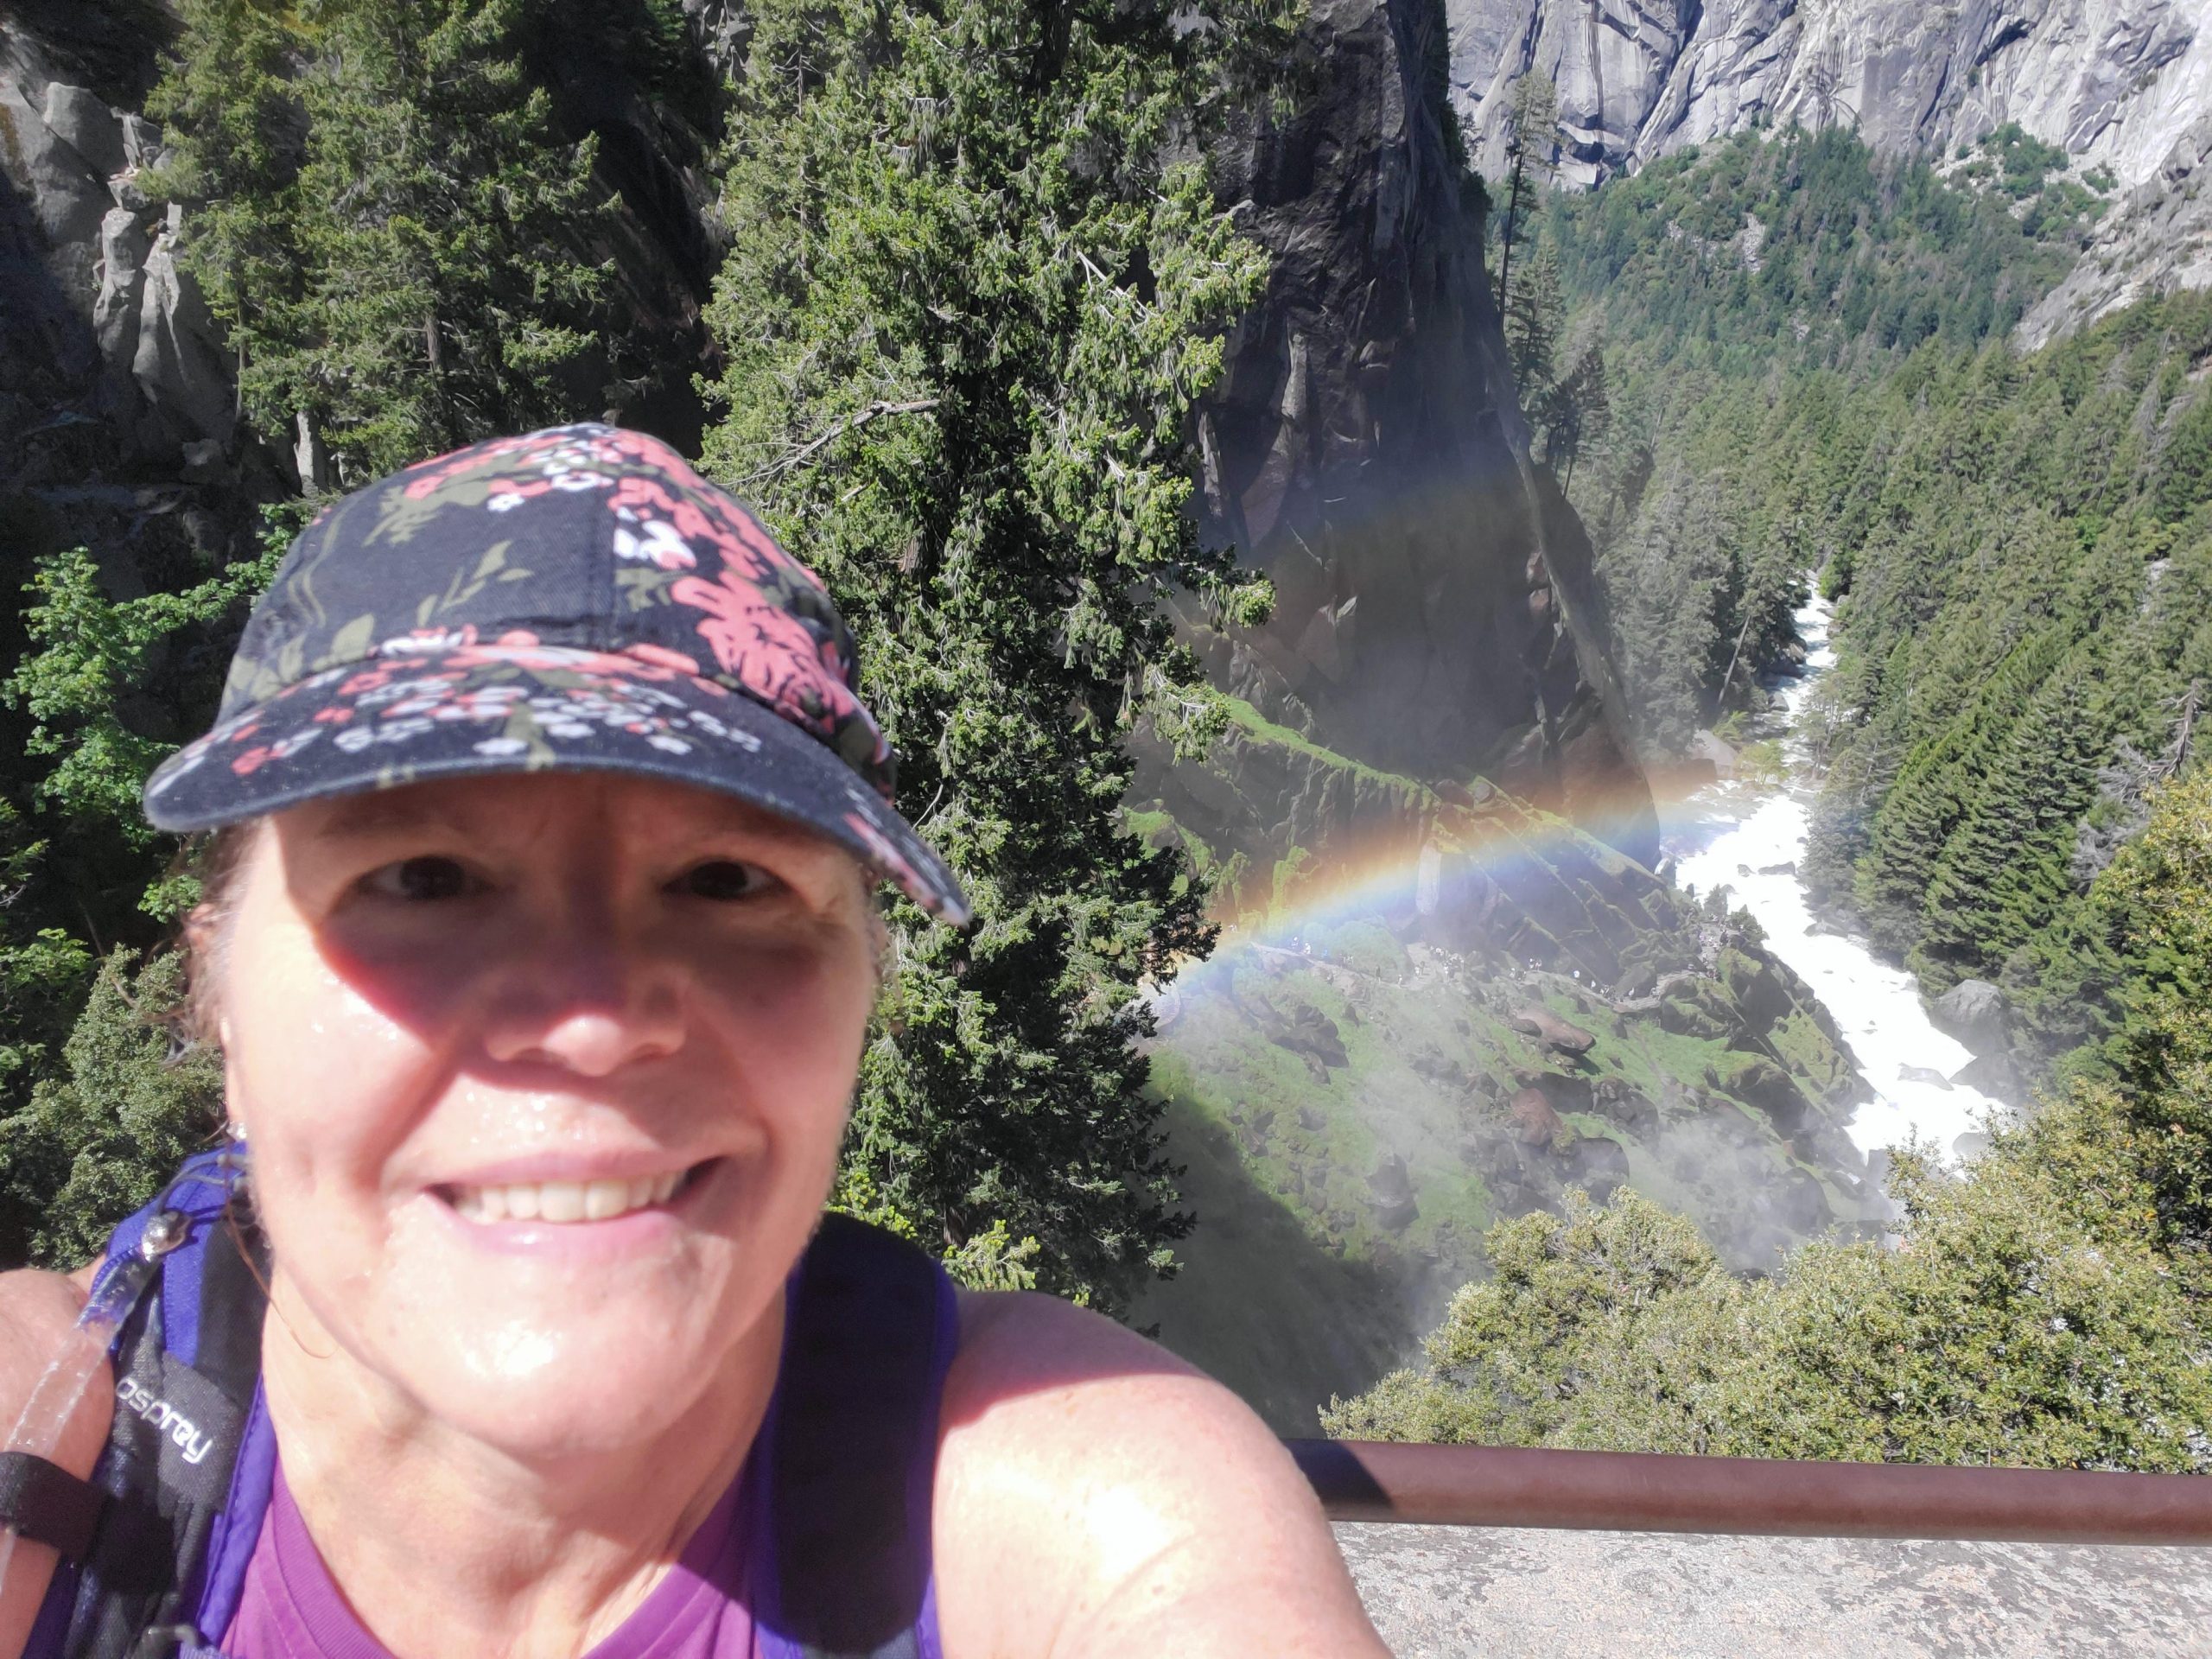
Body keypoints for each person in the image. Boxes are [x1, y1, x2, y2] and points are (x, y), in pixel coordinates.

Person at [0, 426, 1388, 1659]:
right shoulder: (38, 1440)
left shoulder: (1079, 1498)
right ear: (220, 1000)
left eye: (730, 882)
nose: (598, 1020)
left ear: (863, 1002)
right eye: (423, 877)